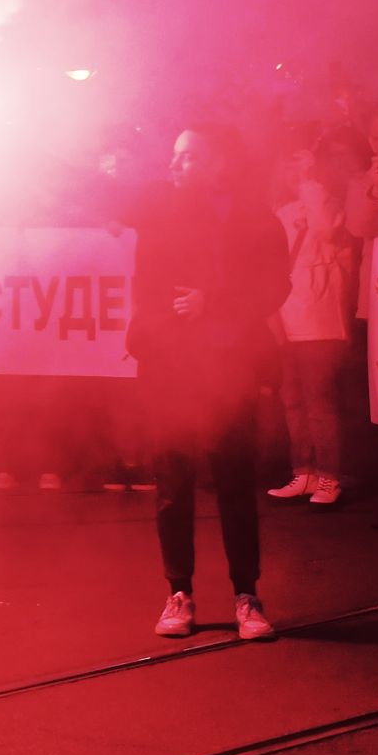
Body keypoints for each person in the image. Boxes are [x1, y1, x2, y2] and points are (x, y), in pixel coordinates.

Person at [132, 125, 290, 640]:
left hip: (229, 368)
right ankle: (178, 593)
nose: (176, 166)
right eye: (175, 156)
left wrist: (212, 302)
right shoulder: (158, 219)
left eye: (190, 157)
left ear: (219, 162)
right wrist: (155, 332)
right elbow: (145, 289)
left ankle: (247, 594)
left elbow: (274, 286)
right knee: (172, 484)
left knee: (234, 483)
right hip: (172, 371)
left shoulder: (253, 220)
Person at [268, 136, 364, 507]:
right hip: (284, 317)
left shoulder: (331, 206)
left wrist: (312, 185)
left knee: (319, 401)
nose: (296, 170)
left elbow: (326, 231)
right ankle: (304, 472)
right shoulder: (279, 210)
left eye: (303, 163)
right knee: (292, 400)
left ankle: (329, 477)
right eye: (291, 163)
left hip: (321, 321)